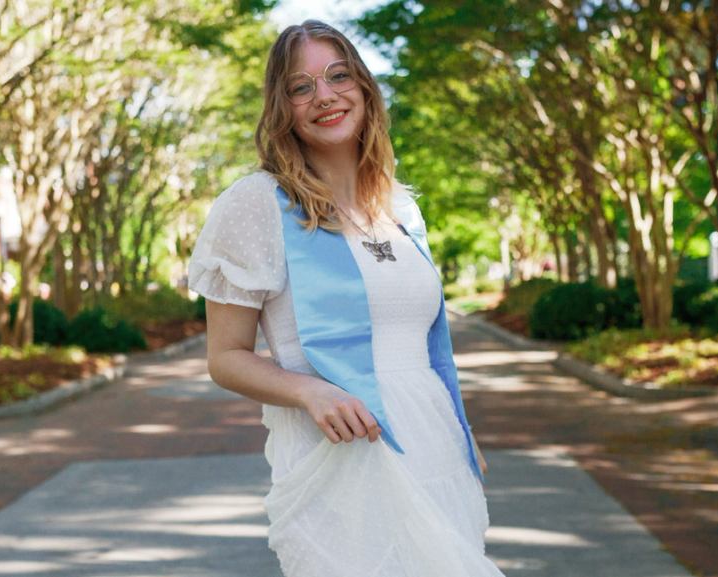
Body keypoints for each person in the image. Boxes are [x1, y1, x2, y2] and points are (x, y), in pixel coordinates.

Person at [188, 20, 506, 577]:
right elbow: (225, 357)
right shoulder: (257, 203)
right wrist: (310, 391)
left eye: (339, 77)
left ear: (364, 89)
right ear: (281, 107)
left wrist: (462, 430)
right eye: (301, 86)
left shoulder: (401, 207)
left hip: (437, 450)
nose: (325, 96)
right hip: (342, 456)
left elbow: (426, 347)